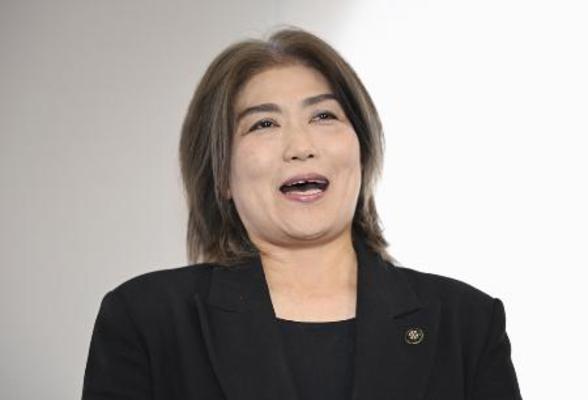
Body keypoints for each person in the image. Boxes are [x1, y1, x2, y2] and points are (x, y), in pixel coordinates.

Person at [82, 26, 522, 400]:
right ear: (221, 175)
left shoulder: (466, 324)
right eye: (264, 124)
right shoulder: (147, 320)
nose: (301, 146)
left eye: (324, 116)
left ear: (362, 151)